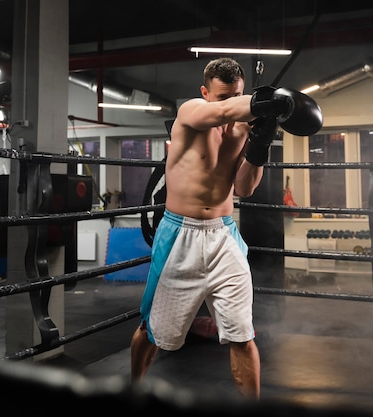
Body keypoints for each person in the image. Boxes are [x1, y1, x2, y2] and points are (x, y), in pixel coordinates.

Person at [130, 57, 322, 401]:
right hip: (179, 236)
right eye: (222, 97)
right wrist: (265, 102)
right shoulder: (191, 112)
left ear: (242, 90)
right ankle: (132, 390)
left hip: (223, 236)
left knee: (242, 334)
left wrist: (260, 146)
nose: (229, 103)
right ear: (205, 93)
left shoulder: (244, 127)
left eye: (236, 95)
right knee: (151, 328)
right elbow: (219, 113)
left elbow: (244, 188)